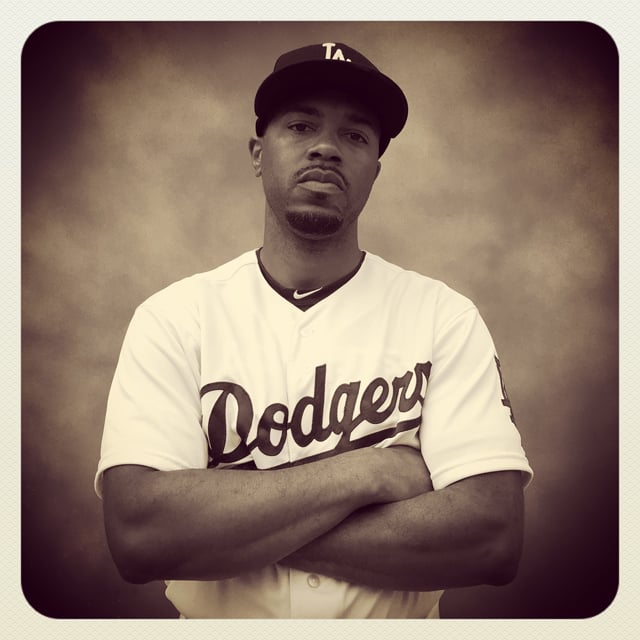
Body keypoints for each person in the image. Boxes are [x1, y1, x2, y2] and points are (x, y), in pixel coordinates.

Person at [95, 41, 533, 619]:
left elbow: (490, 538)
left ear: (375, 167)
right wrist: (374, 470)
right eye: (301, 126)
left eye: (355, 136)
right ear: (257, 153)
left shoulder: (444, 316)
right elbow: (141, 536)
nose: (326, 148)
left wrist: (231, 532)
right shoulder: (174, 317)